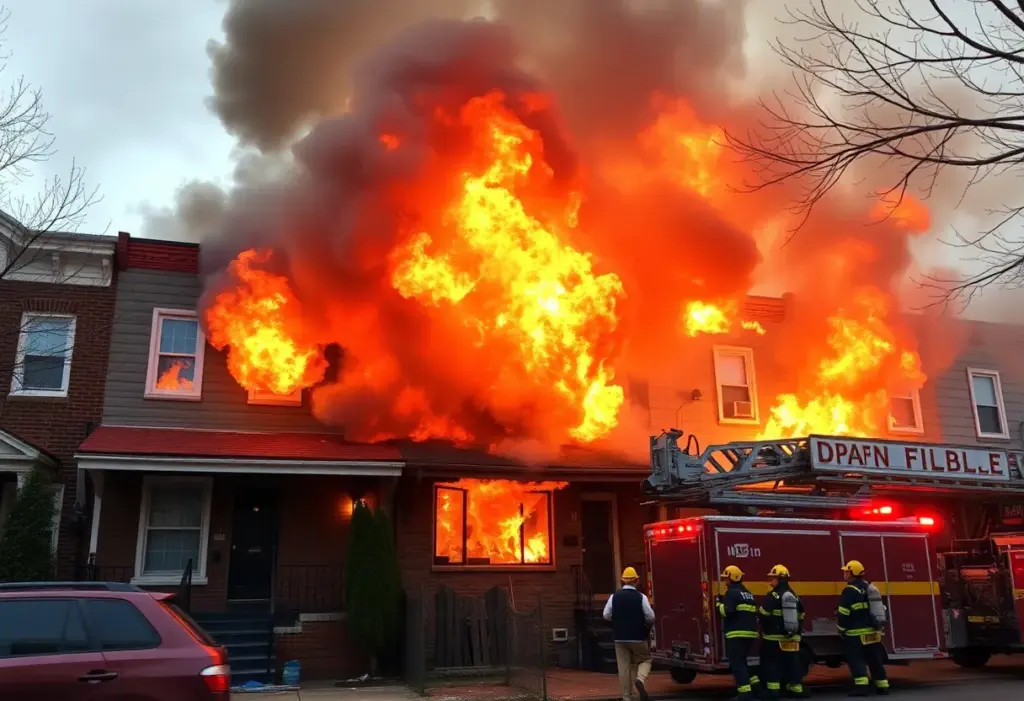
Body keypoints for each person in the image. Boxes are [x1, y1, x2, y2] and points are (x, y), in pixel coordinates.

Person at [837, 560, 889, 697]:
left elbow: (843, 612)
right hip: (872, 632)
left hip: (855, 634)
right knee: (875, 660)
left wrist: (841, 629)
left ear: (852, 573)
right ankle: (882, 685)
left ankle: (862, 687)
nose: (845, 574)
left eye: (846, 571)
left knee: (857, 660)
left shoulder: (849, 591)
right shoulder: (869, 587)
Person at [603, 566, 655, 701]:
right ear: (636, 581)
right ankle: (640, 680)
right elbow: (650, 617)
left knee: (624, 667)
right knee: (645, 659)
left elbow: (606, 615)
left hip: (619, 637)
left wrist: (617, 620)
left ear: (623, 581)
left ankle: (627, 697)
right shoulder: (641, 597)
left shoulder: (614, 596)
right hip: (637, 636)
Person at [759, 564, 808, 699]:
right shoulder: (795, 596)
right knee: (793, 664)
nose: (771, 581)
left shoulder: (772, 596)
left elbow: (763, 613)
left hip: (773, 639)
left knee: (771, 664)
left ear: (779, 579)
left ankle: (773, 692)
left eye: (773, 578)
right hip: (793, 639)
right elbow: (802, 615)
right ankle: (796, 689)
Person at [717, 565, 760, 700]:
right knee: (743, 662)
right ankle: (757, 688)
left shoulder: (731, 593)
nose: (725, 582)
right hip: (750, 634)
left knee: (737, 663)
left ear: (732, 578)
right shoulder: (748, 593)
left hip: (736, 634)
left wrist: (719, 605)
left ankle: (745, 693)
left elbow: (727, 612)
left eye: (726, 578)